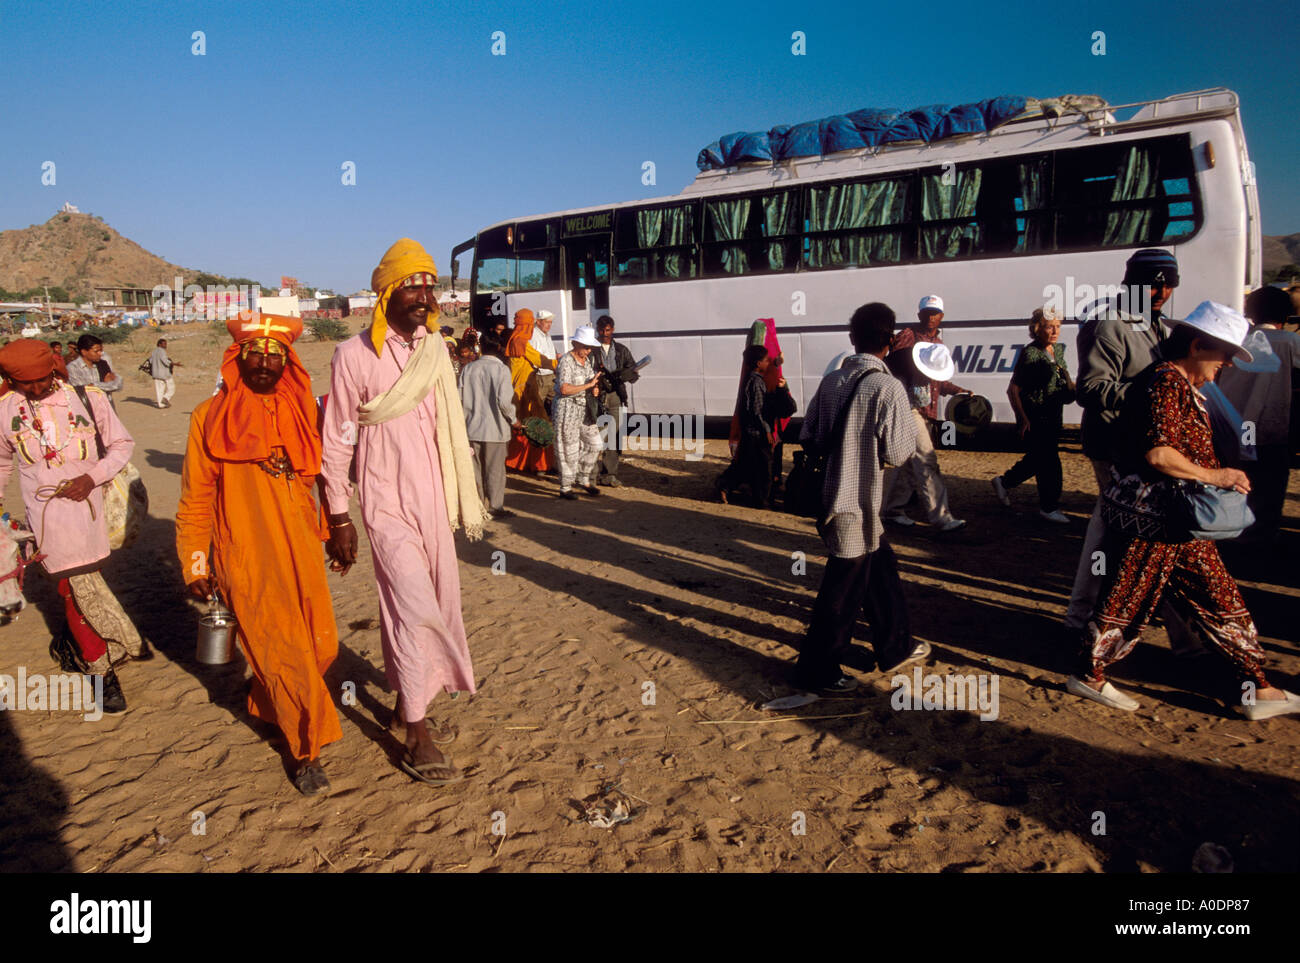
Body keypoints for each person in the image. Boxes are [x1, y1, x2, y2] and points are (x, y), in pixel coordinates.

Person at [1068, 302, 1299, 719]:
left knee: (1215, 595)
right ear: (1197, 346)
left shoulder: (1174, 383)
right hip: (1154, 519)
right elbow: (1159, 454)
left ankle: (1258, 686)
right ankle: (1090, 673)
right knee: (1128, 601)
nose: (1227, 364)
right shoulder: (1166, 384)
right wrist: (1217, 476)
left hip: (1172, 520)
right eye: (1225, 354)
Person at [321, 238, 486, 786]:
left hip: (434, 499)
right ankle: (416, 733)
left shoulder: (435, 349)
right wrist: (339, 516)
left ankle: (402, 703)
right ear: (389, 291)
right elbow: (338, 439)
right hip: (385, 501)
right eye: (413, 285)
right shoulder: (352, 356)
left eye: (429, 285)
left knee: (434, 599)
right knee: (412, 603)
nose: (424, 295)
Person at [175, 312, 342, 794]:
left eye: (276, 355)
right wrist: (195, 563)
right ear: (238, 359)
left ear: (287, 361)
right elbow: (195, 499)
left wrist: (334, 529)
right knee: (283, 650)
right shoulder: (208, 418)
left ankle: (267, 703)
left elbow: (319, 478)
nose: (266, 362)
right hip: (244, 552)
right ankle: (304, 749)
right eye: (256, 354)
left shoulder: (302, 410)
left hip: (302, 546)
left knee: (320, 644)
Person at [0, 339, 146, 715]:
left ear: (53, 368)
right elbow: (1, 463)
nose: (34, 390)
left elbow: (121, 445)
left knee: (85, 586)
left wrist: (91, 477)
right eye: (24, 384)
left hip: (91, 510)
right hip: (47, 518)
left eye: (40, 381)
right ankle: (102, 672)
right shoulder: (5, 409)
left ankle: (78, 642)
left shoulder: (87, 397)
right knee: (71, 588)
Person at [794, 303, 929, 691]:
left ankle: (895, 646)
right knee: (842, 590)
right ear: (888, 343)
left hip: (829, 499)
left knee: (880, 566)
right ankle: (817, 671)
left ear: (852, 339)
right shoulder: (888, 387)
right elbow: (900, 452)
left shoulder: (832, 381)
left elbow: (811, 436)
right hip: (856, 502)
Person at [1063, 248, 1180, 633]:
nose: (1162, 293)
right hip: (1113, 445)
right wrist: (1152, 391)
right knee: (1115, 534)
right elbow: (1091, 389)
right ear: (1134, 284)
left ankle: (1089, 615)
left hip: (1140, 447)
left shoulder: (1158, 326)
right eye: (1155, 286)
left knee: (1114, 531)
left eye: (1169, 285)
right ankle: (1086, 618)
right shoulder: (1109, 325)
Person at [1217, 285, 1300, 539]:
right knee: (1270, 488)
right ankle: (1262, 540)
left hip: (1232, 428)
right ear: (1286, 316)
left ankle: (1230, 532)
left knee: (1235, 483)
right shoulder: (1291, 342)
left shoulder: (1237, 340)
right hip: (1270, 432)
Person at [881, 295, 970, 532]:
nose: (931, 318)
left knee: (910, 463)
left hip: (926, 410)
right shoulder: (908, 336)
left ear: (941, 316)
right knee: (927, 460)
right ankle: (941, 517)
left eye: (935, 314)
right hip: (910, 407)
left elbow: (937, 381)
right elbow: (891, 364)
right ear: (920, 315)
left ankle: (892, 510)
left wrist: (957, 390)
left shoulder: (938, 344)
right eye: (927, 313)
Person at [992, 307, 1076, 523]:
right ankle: (1049, 507)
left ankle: (1004, 482)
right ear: (1038, 329)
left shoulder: (1057, 351)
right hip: (1037, 417)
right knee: (1050, 462)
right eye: (1050, 327)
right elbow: (1013, 390)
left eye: (1058, 326)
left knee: (1038, 459)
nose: (1055, 331)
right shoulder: (1030, 355)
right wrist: (1023, 420)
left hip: (1055, 415)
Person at [714, 345, 788, 507]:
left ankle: (724, 487)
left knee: (744, 465)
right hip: (757, 433)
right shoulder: (756, 383)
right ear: (758, 363)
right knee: (763, 470)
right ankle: (761, 501)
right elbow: (757, 411)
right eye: (766, 360)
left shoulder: (751, 378)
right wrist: (767, 431)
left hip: (750, 432)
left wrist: (776, 363)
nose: (768, 362)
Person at [459, 331, 517, 518]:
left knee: (475, 469)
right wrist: (514, 420)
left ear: (481, 347)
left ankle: (478, 505)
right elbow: (504, 402)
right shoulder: (502, 370)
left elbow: (459, 399)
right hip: (495, 429)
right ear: (499, 348)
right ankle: (495, 506)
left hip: (471, 428)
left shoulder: (468, 369)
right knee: (495, 470)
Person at [552, 325, 605, 499]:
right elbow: (564, 389)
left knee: (595, 444)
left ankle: (583, 477)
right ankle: (566, 486)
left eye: (590, 347)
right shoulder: (566, 361)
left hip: (584, 409)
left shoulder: (586, 361)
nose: (589, 351)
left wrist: (594, 388)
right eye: (586, 347)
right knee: (568, 448)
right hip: (567, 409)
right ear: (576, 344)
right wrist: (588, 386)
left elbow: (591, 381)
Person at [504, 309, 555, 474]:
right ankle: (539, 465)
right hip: (526, 389)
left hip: (517, 389)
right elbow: (539, 360)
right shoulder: (521, 342)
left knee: (521, 424)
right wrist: (558, 363)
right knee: (538, 424)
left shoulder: (514, 340)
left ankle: (517, 463)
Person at [592, 315, 640, 487]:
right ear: (597, 329)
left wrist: (625, 375)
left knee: (613, 435)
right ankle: (591, 475)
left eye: (608, 330)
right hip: (597, 396)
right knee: (594, 436)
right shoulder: (591, 349)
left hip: (616, 396)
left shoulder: (621, 350)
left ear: (612, 330)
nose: (605, 333)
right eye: (601, 330)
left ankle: (609, 475)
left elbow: (634, 371)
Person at [65, 335, 123, 400]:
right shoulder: (73, 368)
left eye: (101, 351)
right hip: (86, 407)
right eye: (96, 351)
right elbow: (84, 390)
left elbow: (118, 384)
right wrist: (105, 385)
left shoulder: (102, 364)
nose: (100, 354)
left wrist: (94, 385)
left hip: (106, 404)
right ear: (84, 352)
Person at [530, 309, 558, 407]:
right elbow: (534, 357)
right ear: (538, 322)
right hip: (540, 376)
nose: (549, 325)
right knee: (537, 404)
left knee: (556, 402)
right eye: (546, 322)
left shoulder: (546, 334)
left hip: (551, 375)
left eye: (550, 322)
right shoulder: (533, 335)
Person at [148, 337, 181, 408]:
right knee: (172, 387)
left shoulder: (154, 351)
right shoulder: (162, 351)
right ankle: (166, 398)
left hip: (156, 374)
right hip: (164, 373)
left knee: (159, 389)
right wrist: (175, 364)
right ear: (159, 344)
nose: (165, 345)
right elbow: (165, 361)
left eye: (166, 344)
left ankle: (160, 404)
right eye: (164, 344)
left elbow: (150, 361)